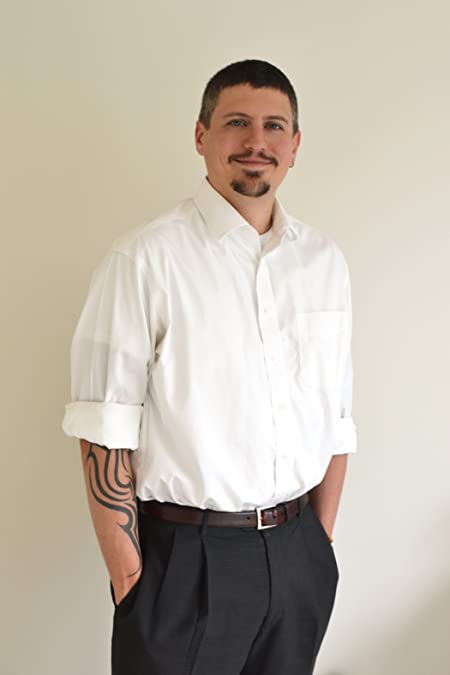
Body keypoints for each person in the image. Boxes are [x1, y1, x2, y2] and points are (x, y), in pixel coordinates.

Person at [62, 58, 357, 675]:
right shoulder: (144, 260)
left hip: (297, 557)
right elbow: (104, 428)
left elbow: (336, 418)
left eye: (274, 126)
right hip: (185, 565)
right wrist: (131, 582)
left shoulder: (324, 262)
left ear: (295, 145)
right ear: (201, 136)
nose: (256, 142)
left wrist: (319, 544)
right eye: (236, 123)